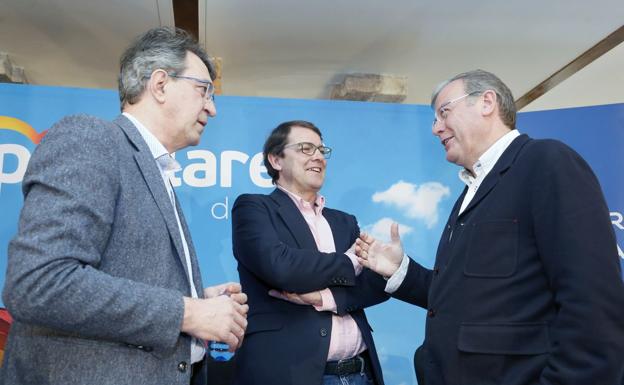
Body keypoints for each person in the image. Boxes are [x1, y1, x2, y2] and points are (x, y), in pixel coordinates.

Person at [1, 27, 248, 385]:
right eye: (204, 89)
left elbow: (124, 274)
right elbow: (39, 282)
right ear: (160, 84)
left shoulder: (155, 169)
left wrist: (196, 296)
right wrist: (188, 312)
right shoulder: (92, 139)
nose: (212, 107)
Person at [356, 69, 624, 385]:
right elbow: (469, 299)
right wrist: (400, 270)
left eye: (444, 113)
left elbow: (592, 302)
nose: (435, 128)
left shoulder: (547, 161)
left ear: (487, 102)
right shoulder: (469, 193)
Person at [231, 121, 389, 385]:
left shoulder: (345, 222)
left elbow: (375, 284)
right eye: (305, 148)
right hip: (290, 373)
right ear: (276, 160)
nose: (317, 156)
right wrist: (349, 262)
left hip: (361, 373)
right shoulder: (254, 208)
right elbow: (281, 267)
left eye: (321, 149)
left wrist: (324, 297)